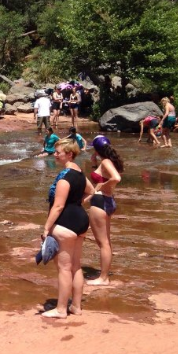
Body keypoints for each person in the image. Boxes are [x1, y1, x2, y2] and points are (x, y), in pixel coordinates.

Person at [40, 139, 94, 319]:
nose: (55, 155)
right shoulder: (79, 173)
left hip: (65, 223)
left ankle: (61, 309)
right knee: (76, 265)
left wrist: (46, 228)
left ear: (69, 154)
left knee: (64, 267)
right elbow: (91, 191)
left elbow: (58, 207)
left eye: (58, 152)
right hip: (81, 221)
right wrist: (78, 203)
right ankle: (76, 307)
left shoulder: (64, 178)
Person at [86, 136, 123, 286]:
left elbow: (116, 178)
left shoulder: (106, 162)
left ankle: (103, 278)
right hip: (108, 201)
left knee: (103, 243)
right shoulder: (109, 161)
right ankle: (104, 274)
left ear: (96, 148)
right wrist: (94, 164)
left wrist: (103, 185)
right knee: (106, 242)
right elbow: (103, 176)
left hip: (100, 201)